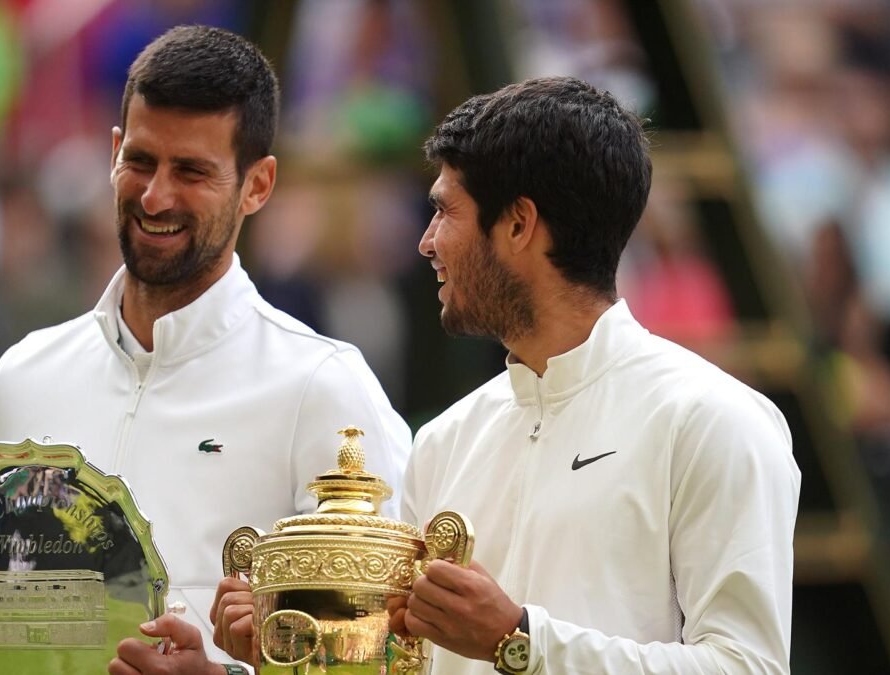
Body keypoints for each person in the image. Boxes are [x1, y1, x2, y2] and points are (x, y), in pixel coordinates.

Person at [212, 77, 800, 674]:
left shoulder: (713, 421)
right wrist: (274, 652)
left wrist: (518, 640)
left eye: (444, 211)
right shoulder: (445, 442)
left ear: (518, 224)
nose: (426, 242)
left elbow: (745, 665)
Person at [0, 25, 411, 675]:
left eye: (191, 171)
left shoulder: (325, 388)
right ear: (112, 153)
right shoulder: (22, 376)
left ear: (258, 185)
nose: (157, 196)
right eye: (141, 161)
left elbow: (388, 657)